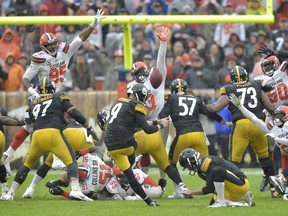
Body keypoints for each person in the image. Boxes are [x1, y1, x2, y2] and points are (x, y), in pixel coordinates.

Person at [2, 9, 106, 174]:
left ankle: (8, 155)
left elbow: (80, 38)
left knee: (31, 126)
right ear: (43, 46)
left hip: (55, 94)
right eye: (48, 45)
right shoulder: (39, 58)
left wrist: (93, 24)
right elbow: (25, 79)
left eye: (53, 44)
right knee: (53, 125)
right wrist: (32, 92)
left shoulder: (65, 50)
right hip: (42, 96)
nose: (51, 46)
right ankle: (56, 158)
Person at [0, 78, 97, 201]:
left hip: (37, 136)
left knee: (27, 165)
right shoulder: (59, 97)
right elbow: (74, 113)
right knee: (71, 161)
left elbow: (30, 123)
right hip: (53, 133)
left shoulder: (33, 102)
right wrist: (88, 126)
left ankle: (10, 193)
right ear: (53, 89)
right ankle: (76, 190)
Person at [130, 25, 189, 197]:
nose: (140, 75)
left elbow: (161, 62)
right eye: (136, 73)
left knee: (162, 153)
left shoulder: (156, 79)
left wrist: (163, 43)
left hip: (160, 119)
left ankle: (163, 181)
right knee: (140, 153)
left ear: (146, 70)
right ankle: (144, 180)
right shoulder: (133, 87)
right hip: (142, 121)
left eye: (141, 71)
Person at [206, 65, 277, 196]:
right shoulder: (256, 85)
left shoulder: (230, 88)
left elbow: (216, 107)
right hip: (259, 124)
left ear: (232, 79)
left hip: (241, 125)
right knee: (265, 158)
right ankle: (275, 190)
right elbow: (270, 107)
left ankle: (234, 189)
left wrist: (202, 106)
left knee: (233, 162)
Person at [158, 78, 231, 197]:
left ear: (172, 90)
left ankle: (179, 190)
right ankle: (225, 187)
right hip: (199, 135)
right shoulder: (196, 99)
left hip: (183, 135)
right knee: (206, 165)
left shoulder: (172, 98)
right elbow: (210, 112)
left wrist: (158, 123)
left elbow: (163, 115)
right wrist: (224, 122)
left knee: (171, 163)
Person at [104, 83, 170, 206]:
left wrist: (157, 121)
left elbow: (137, 123)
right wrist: (161, 125)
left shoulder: (119, 102)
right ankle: (134, 163)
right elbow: (147, 130)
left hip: (111, 146)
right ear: (142, 96)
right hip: (126, 144)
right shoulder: (137, 105)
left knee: (131, 176)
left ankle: (149, 202)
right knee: (134, 149)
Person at [229, 94, 288, 200]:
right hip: (286, 154)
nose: (277, 118)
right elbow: (254, 119)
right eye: (276, 115)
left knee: (284, 176)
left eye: (280, 115)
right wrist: (240, 107)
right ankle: (282, 181)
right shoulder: (272, 128)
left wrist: (277, 139)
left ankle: (280, 177)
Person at [22, 119, 98, 199]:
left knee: (48, 164)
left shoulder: (61, 120)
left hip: (69, 132)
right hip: (87, 138)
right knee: (92, 166)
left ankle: (31, 189)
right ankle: (89, 190)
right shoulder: (82, 122)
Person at [179, 148, 254, 208]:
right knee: (212, 204)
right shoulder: (201, 171)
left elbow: (209, 188)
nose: (189, 169)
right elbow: (213, 188)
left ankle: (222, 202)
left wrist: (191, 192)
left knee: (217, 171)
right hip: (232, 188)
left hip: (241, 184)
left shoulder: (207, 163)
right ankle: (242, 199)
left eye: (188, 167)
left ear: (191, 162)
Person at [0, 114, 29, 197]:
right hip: (1, 137)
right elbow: (3, 119)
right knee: (0, 163)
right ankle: (5, 190)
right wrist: (19, 122)